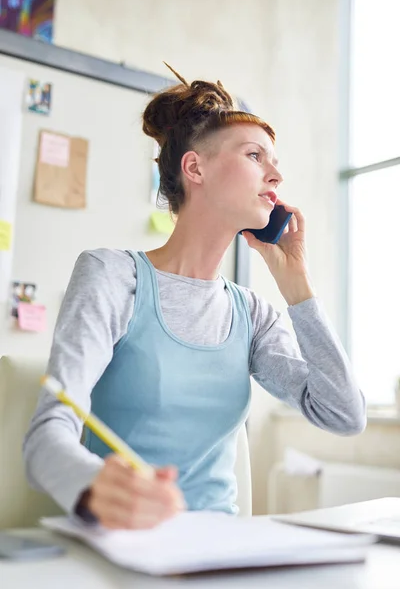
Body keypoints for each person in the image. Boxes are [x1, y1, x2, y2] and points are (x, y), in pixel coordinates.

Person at [23, 65, 366, 531]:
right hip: (124, 545)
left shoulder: (253, 313)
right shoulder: (112, 276)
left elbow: (344, 414)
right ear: (195, 167)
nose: (276, 174)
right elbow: (47, 435)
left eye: (274, 161)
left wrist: (297, 287)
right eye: (255, 156)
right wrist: (96, 485)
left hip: (220, 554)